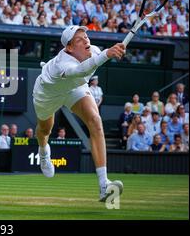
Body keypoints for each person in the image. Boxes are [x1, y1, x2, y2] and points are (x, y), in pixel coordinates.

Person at [32, 25, 125, 201]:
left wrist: (112, 52)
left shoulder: (94, 51)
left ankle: (104, 185)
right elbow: (79, 71)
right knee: (45, 130)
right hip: (48, 93)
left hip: (75, 88)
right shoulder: (63, 64)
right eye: (79, 40)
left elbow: (90, 65)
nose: (86, 40)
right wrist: (107, 54)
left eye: (86, 37)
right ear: (69, 48)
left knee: (95, 121)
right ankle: (44, 152)